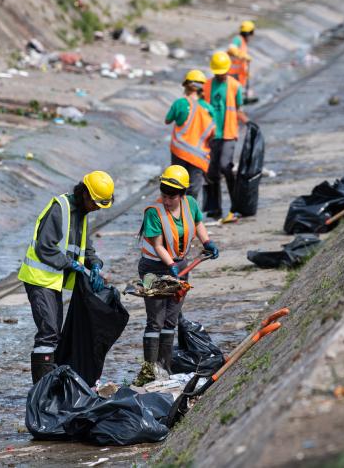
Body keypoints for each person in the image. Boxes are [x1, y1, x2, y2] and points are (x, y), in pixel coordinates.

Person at [17, 170, 115, 383]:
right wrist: (69, 264)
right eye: (96, 203)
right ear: (85, 194)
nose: (97, 208)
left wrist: (95, 265)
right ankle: (41, 391)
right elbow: (45, 247)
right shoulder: (59, 209)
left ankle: (49, 384)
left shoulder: (82, 214)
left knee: (54, 334)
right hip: (38, 278)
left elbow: (85, 249)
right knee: (49, 332)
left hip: (53, 281)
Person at [134, 165, 218, 385]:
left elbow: (198, 222)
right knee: (156, 321)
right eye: (164, 195)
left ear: (182, 194)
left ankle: (166, 369)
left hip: (180, 268)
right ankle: (151, 371)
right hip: (155, 269)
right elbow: (158, 244)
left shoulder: (190, 204)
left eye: (171, 196)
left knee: (171, 319)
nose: (167, 200)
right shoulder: (154, 212)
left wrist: (207, 241)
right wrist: (170, 264)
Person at [202, 51, 244, 223]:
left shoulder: (234, 85)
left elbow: (239, 107)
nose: (220, 75)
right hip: (212, 135)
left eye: (222, 71)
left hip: (228, 134)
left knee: (225, 167)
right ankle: (215, 209)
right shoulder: (206, 85)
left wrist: (247, 123)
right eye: (217, 72)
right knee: (212, 172)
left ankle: (236, 206)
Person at [165, 69, 215, 203]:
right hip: (198, 154)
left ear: (186, 85)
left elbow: (168, 120)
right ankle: (189, 214)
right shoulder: (208, 109)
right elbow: (213, 133)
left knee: (176, 182)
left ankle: (175, 212)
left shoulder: (179, 104)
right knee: (194, 186)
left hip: (179, 150)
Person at [227, 21, 254, 91]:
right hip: (231, 73)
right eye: (251, 33)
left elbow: (241, 61)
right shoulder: (238, 39)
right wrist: (244, 56)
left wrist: (246, 72)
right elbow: (232, 49)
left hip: (237, 74)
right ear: (248, 33)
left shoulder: (243, 42)